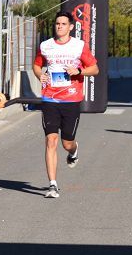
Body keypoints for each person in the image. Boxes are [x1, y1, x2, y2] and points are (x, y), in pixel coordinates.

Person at [32, 11, 99, 198]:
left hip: (71, 98)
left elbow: (95, 68)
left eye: (63, 24)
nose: (59, 26)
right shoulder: (45, 46)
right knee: (50, 140)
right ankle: (52, 185)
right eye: (57, 24)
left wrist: (78, 70)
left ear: (71, 27)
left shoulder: (79, 46)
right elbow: (37, 65)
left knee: (66, 142)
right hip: (50, 98)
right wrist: (40, 75)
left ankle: (74, 151)